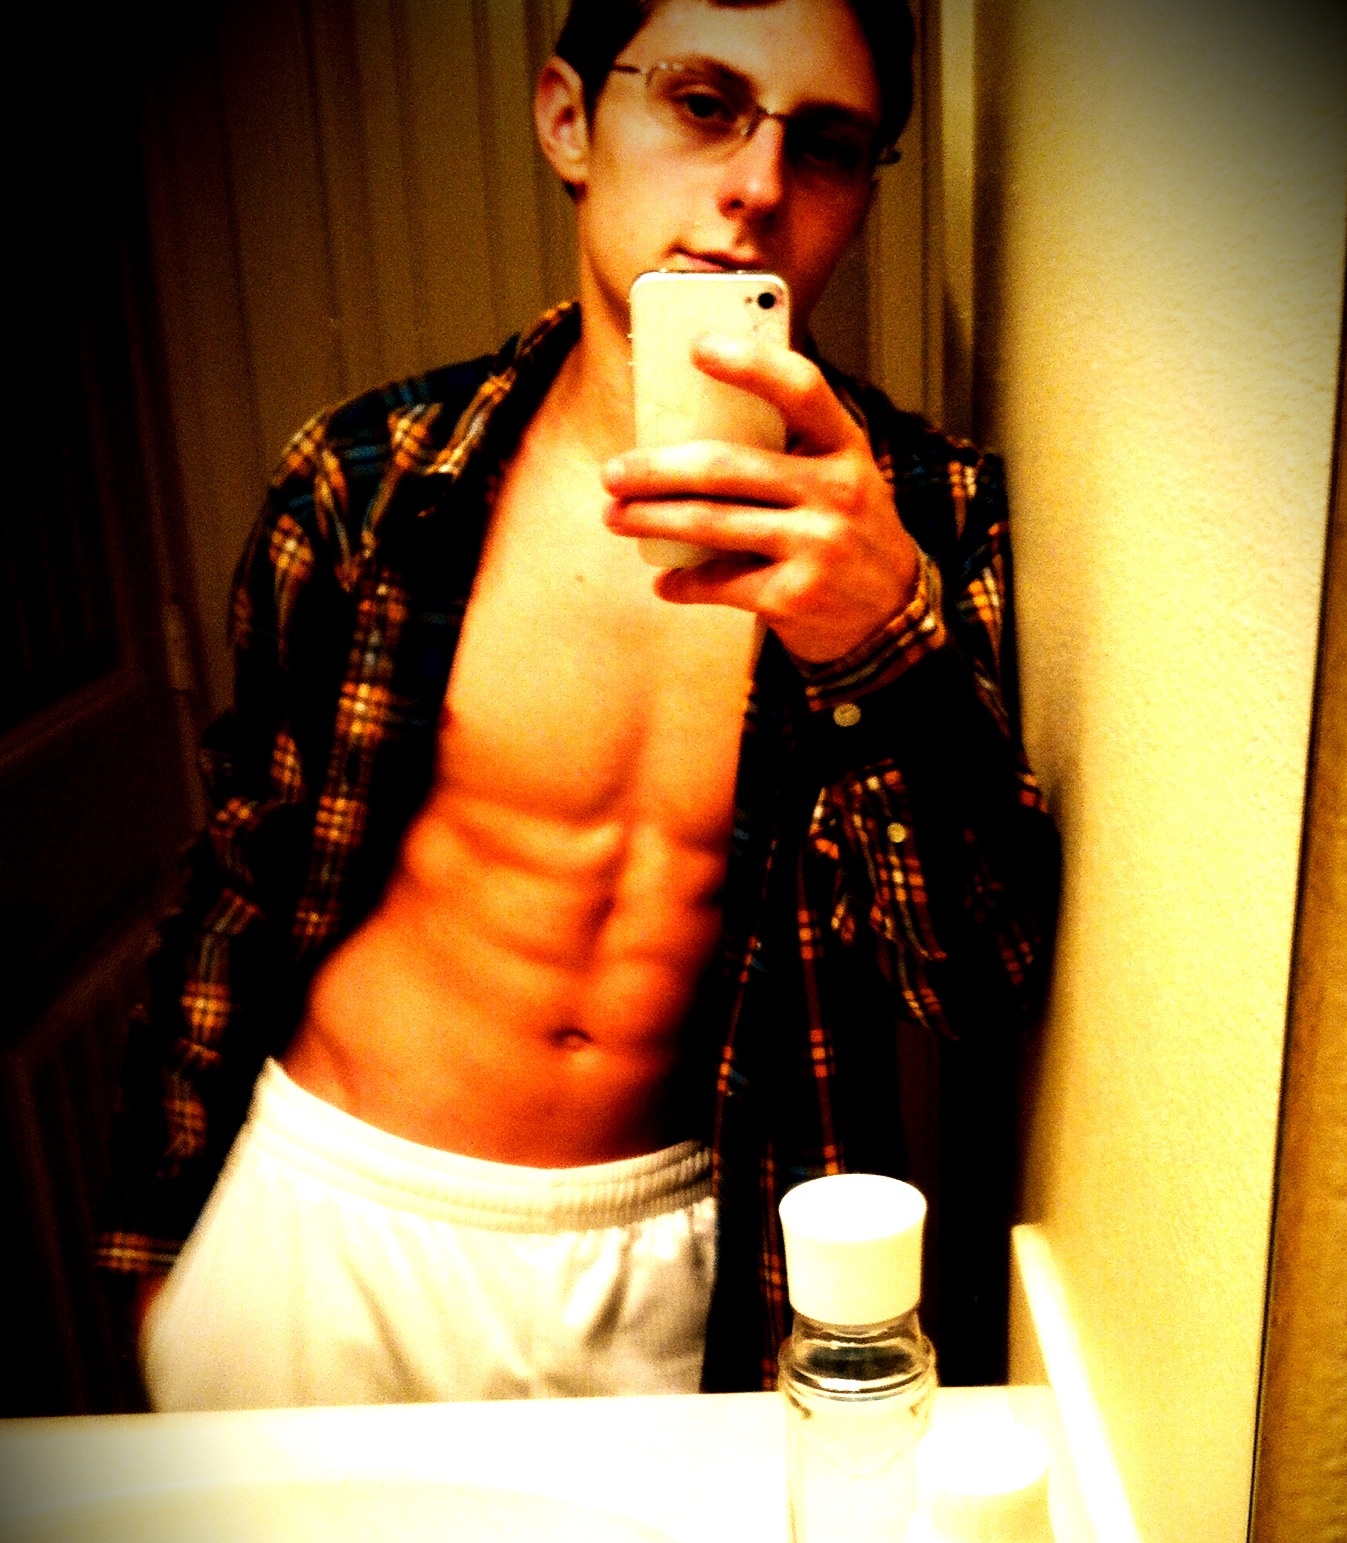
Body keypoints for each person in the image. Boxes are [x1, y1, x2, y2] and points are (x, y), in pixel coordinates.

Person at [98, 0, 1059, 1406]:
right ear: (568, 120)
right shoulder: (370, 481)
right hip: (331, 1216)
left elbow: (971, 986)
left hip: (673, 1263)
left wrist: (875, 640)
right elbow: (237, 885)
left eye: (827, 145)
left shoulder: (920, 524)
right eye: (704, 103)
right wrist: (150, 1251)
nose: (756, 185)